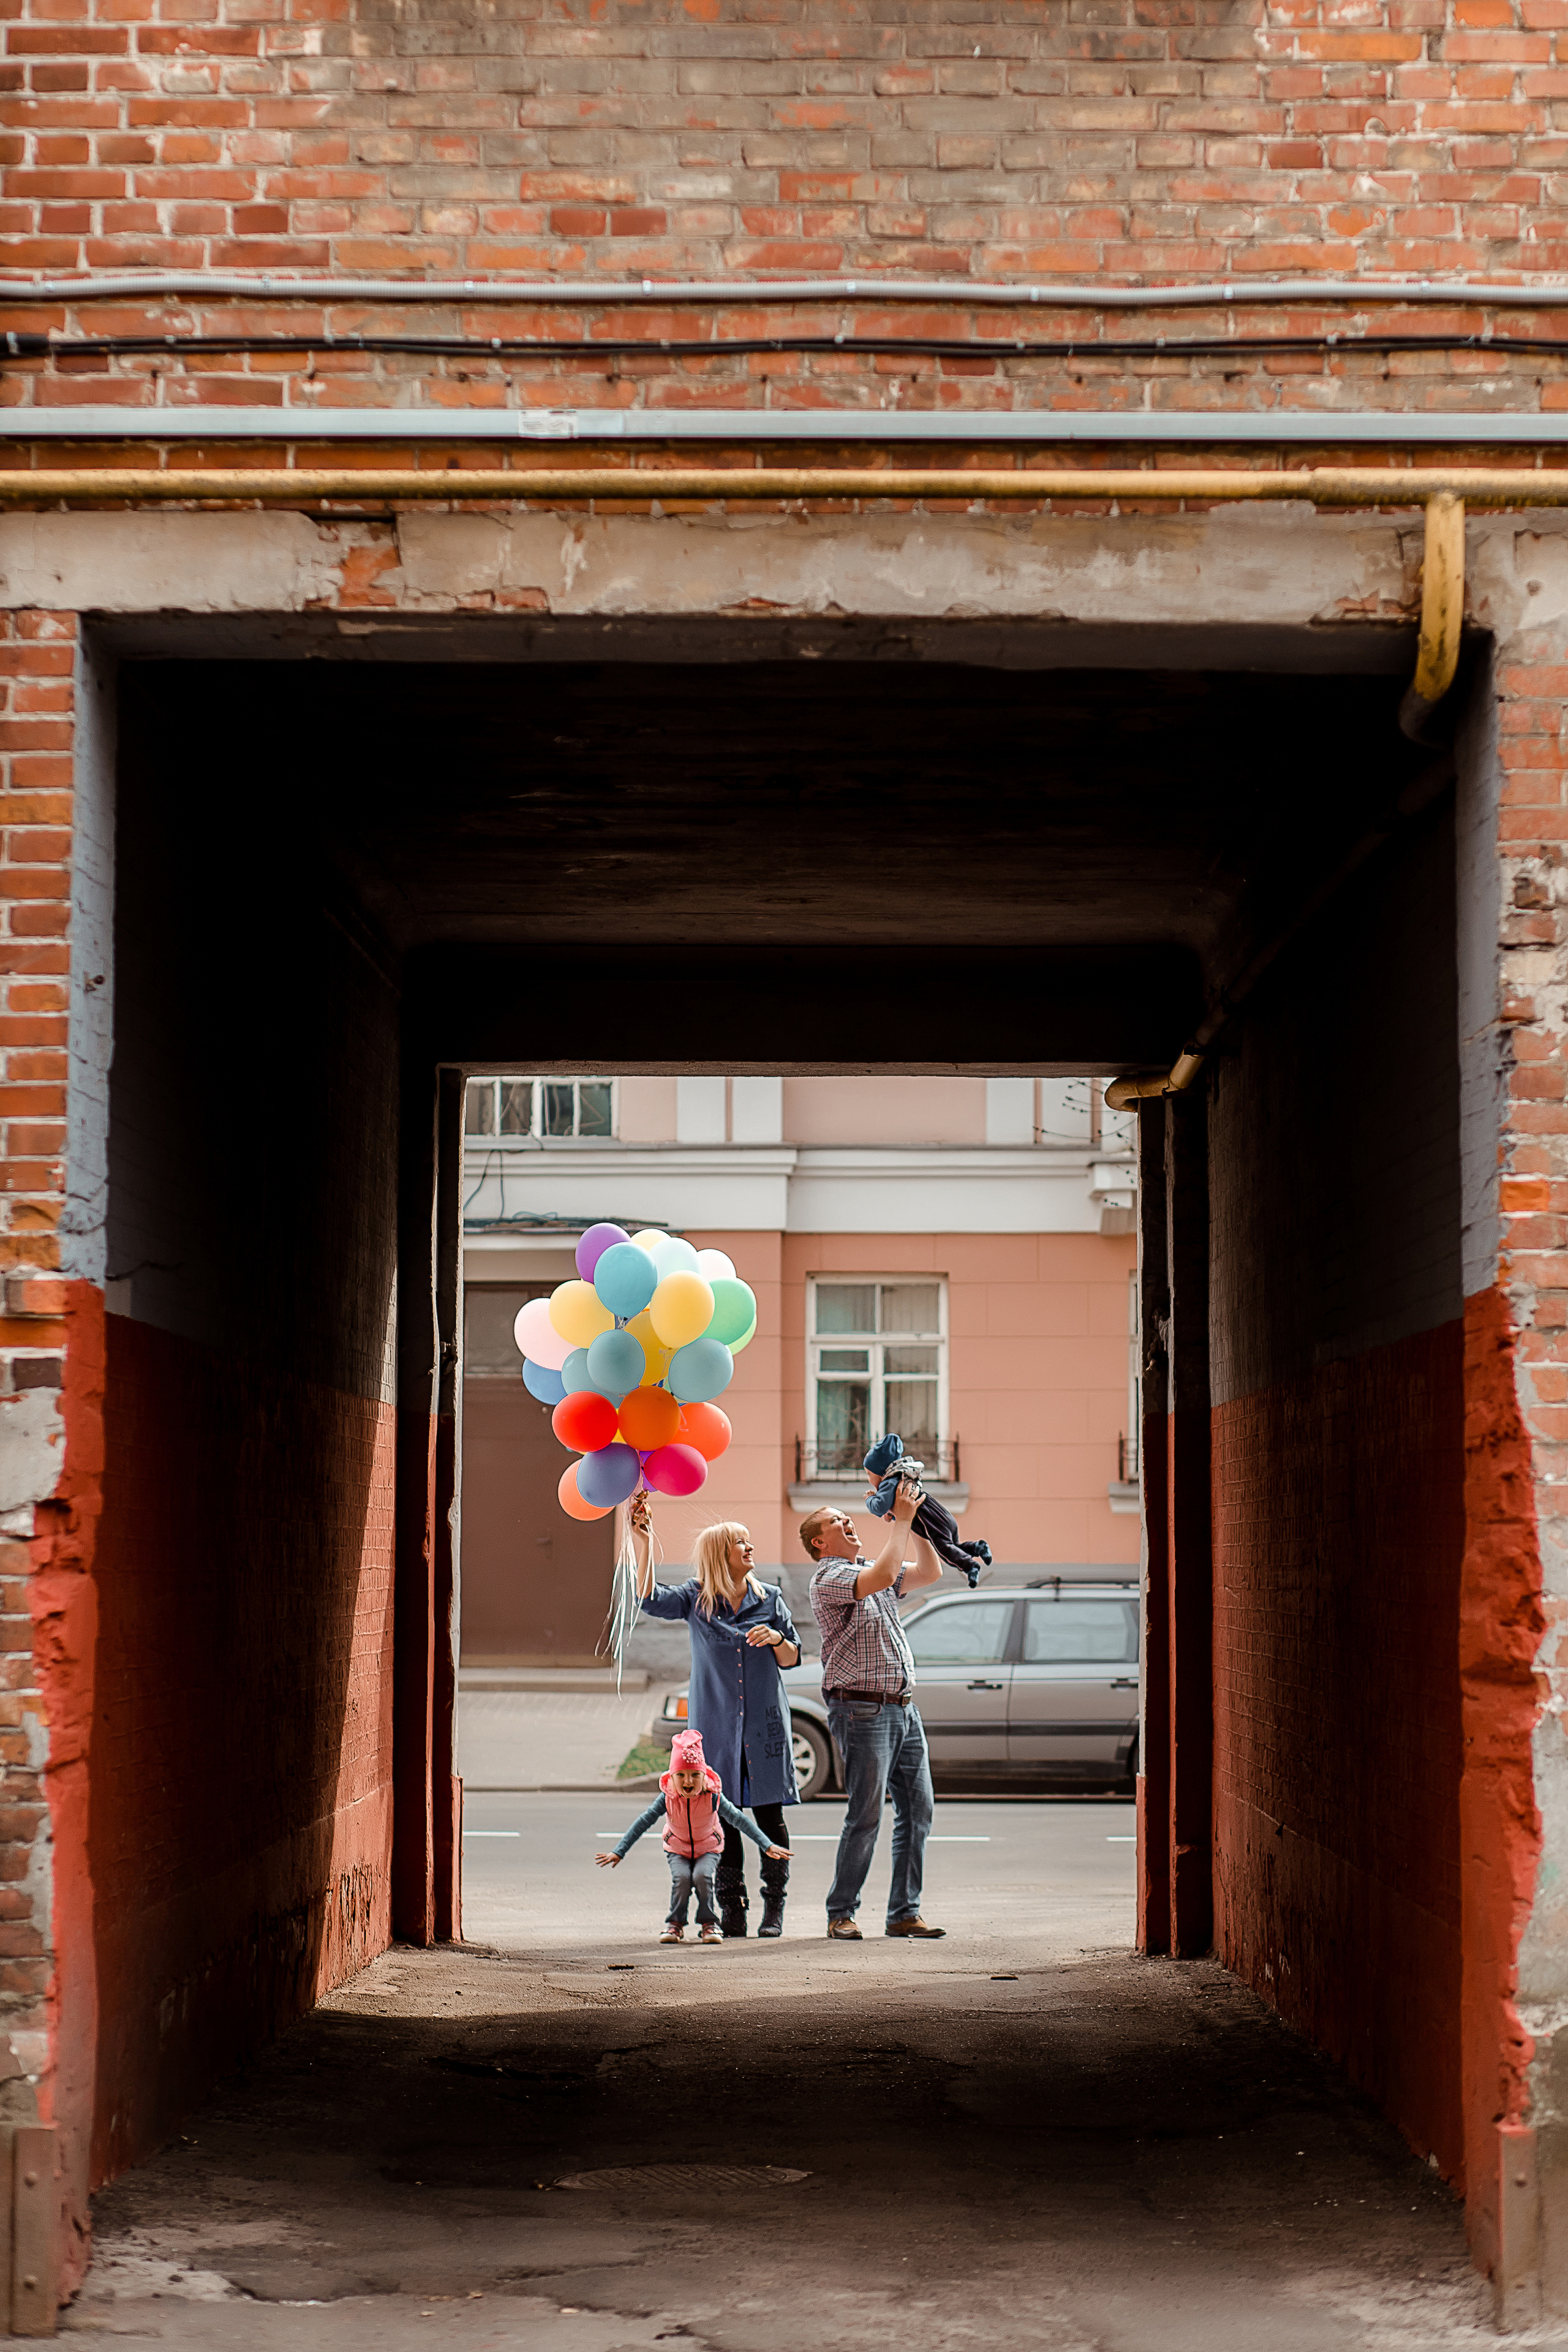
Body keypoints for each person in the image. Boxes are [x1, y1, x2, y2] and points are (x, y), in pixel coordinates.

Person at [630, 1496, 802, 1939]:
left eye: (748, 1542)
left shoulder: (772, 1599)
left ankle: (775, 1909)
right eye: (739, 1543)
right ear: (718, 1555)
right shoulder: (695, 1600)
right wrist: (643, 1539)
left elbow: (792, 1658)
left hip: (763, 1726)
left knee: (769, 1819)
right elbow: (648, 1598)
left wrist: (778, 1637)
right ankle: (734, 1911)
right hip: (717, 1731)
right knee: (722, 1821)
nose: (749, 1548)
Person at [801, 1475, 947, 1941]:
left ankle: (904, 1912)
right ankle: (840, 1912)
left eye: (847, 1517)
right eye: (835, 1522)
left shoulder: (870, 1567)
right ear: (820, 1542)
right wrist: (899, 1520)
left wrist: (917, 1522)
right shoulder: (831, 1577)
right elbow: (883, 1576)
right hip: (862, 1711)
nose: (847, 1522)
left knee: (918, 1811)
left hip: (903, 1709)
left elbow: (930, 1573)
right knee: (866, 1815)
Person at [597, 1728, 788, 1945]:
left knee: (702, 1877)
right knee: (682, 1880)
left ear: (704, 1775)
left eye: (695, 1775)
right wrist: (619, 1851)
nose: (688, 1781)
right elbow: (644, 1821)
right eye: (681, 1775)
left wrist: (767, 1845)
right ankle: (675, 1924)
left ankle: (710, 1924)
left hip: (708, 1847)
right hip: (677, 1848)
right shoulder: (668, 1797)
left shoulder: (712, 1795)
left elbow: (739, 1820)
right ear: (672, 1776)